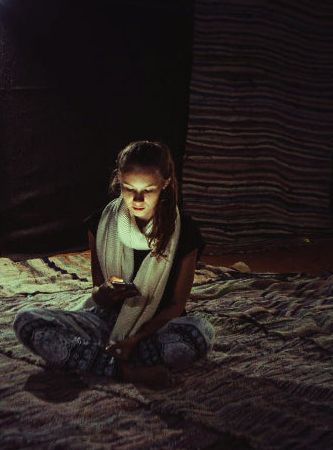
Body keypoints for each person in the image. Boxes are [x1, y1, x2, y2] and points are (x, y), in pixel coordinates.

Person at [14, 141, 214, 390]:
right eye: (128, 188)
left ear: (165, 183)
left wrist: (134, 340)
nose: (137, 199)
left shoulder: (185, 231)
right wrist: (105, 292)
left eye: (148, 190)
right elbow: (98, 294)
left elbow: (176, 305)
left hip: (155, 329)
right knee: (26, 321)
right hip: (105, 322)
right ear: (119, 180)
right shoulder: (101, 223)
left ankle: (95, 358)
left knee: (199, 333)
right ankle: (126, 370)